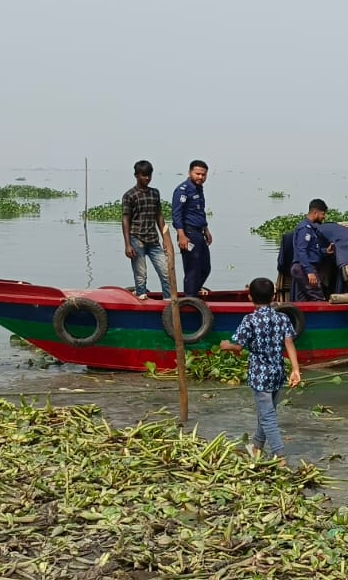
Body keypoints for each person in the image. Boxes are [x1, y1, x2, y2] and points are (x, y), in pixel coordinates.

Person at [219, 277, 302, 460]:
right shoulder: (282, 318)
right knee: (267, 412)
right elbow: (289, 343)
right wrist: (295, 370)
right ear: (273, 296)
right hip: (278, 372)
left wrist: (226, 346)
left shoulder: (250, 319)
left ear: (250, 297)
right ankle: (256, 447)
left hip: (260, 374)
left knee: (267, 416)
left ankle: (279, 456)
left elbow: (238, 346)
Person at [121, 160, 171, 299]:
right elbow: (125, 220)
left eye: (149, 175)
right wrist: (127, 244)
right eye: (144, 175)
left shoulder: (155, 193)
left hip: (153, 240)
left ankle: (168, 301)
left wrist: (166, 239)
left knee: (166, 271)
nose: (147, 178)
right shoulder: (129, 195)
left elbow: (159, 216)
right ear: (136, 175)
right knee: (141, 274)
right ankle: (142, 298)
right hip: (136, 239)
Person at [171, 160, 212, 296]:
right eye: (197, 174)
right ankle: (190, 298)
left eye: (203, 175)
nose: (200, 177)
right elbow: (176, 214)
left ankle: (193, 293)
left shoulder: (199, 189)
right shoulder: (182, 190)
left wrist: (206, 230)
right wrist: (181, 235)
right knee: (192, 269)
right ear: (190, 173)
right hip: (188, 233)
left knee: (205, 268)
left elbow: (200, 211)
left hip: (199, 233)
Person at [291, 199, 334, 301]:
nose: (324, 217)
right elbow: (302, 251)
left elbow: (313, 250)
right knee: (318, 297)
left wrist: (326, 251)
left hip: (303, 267)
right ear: (315, 213)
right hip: (304, 268)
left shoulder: (312, 229)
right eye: (323, 214)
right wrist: (310, 272)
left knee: (304, 299)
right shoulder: (305, 228)